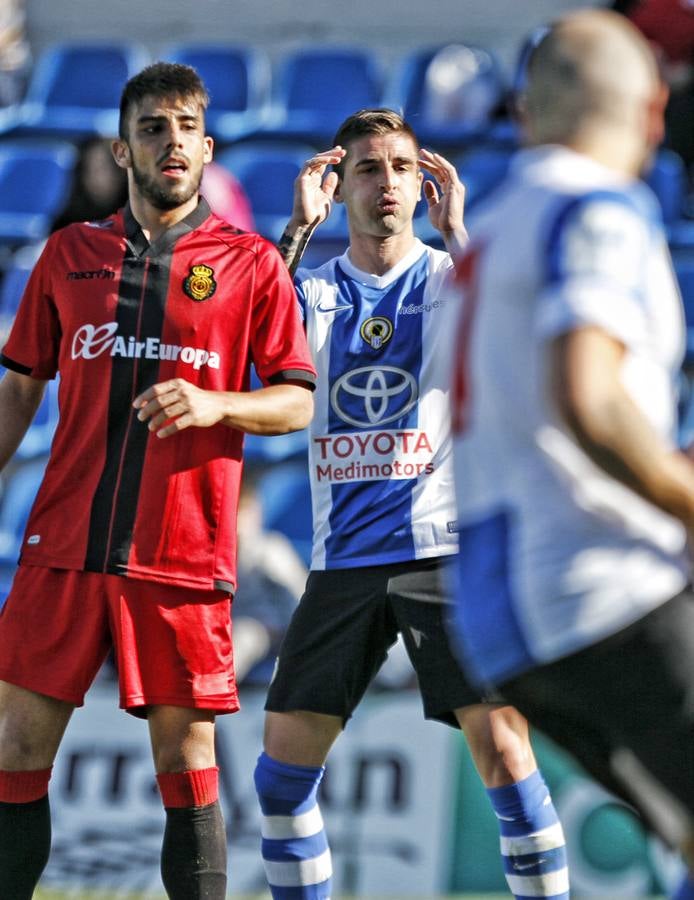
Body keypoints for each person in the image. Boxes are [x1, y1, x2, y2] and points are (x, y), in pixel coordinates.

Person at [0, 61, 316, 900]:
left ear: (208, 148)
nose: (169, 142)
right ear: (123, 148)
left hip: (180, 556)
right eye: (151, 128)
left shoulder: (249, 265)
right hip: (62, 547)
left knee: (188, 763)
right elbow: (19, 390)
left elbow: (294, 402)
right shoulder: (69, 255)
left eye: (184, 129)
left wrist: (216, 402)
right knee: (15, 751)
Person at [253, 108, 570, 900]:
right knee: (279, 780)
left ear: (422, 184)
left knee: (505, 756)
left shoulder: (451, 278)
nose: (386, 183)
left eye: (400, 166)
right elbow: (253, 354)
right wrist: (295, 230)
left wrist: (460, 232)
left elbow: (517, 349)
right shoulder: (313, 288)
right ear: (340, 186)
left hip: (442, 551)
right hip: (344, 559)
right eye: (367, 168)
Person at [448, 9, 694, 900]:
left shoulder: (489, 232)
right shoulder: (597, 207)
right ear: (654, 111)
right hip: (599, 584)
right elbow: (588, 398)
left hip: (498, 616)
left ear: (527, 111)